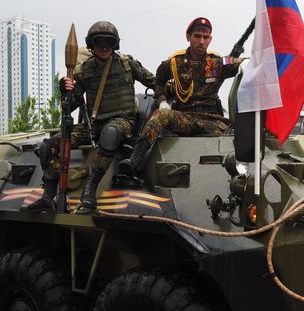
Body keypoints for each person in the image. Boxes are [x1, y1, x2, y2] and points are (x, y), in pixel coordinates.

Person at [22, 21, 156, 212]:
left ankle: (90, 191)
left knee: (110, 133)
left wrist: (166, 101)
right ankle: (48, 196)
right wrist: (65, 92)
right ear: (91, 45)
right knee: (48, 146)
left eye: (109, 42)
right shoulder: (83, 70)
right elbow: (69, 107)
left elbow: (155, 82)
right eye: (99, 42)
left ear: (115, 44)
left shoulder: (127, 65)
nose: (104, 47)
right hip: (95, 125)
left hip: (123, 122)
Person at [119, 17, 243, 177]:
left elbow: (240, 62)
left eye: (206, 37)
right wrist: (162, 101)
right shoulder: (174, 62)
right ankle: (134, 160)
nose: (201, 41)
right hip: (185, 118)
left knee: (235, 140)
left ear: (210, 39)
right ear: (188, 37)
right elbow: (158, 82)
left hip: (212, 120)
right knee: (161, 115)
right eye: (197, 36)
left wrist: (245, 63)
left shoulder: (216, 61)